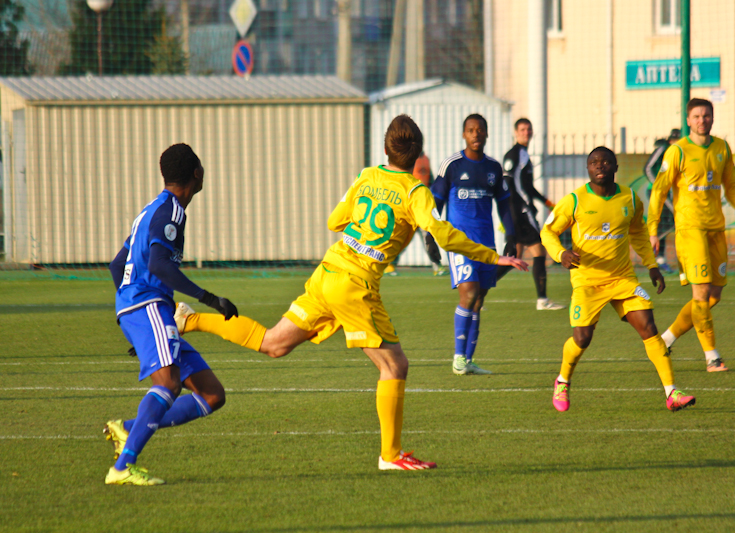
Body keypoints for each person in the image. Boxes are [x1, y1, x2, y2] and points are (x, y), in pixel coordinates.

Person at [170, 115, 528, 470]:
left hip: (328, 272)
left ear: (386, 149)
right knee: (395, 365)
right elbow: (443, 234)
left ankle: (190, 319)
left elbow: (334, 221)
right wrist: (492, 256)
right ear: (418, 153)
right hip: (355, 285)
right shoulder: (414, 191)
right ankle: (390, 455)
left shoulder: (366, 175)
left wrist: (361, 220)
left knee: (273, 343)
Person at [104, 143, 239, 486]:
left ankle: (128, 428)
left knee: (211, 394)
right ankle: (122, 467)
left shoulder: (151, 210)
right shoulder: (172, 212)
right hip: (148, 304)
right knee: (168, 384)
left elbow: (117, 264)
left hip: (144, 309)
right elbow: (159, 265)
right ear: (196, 173)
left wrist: (136, 322)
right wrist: (210, 299)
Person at [541, 146, 696, 413]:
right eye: (593, 162)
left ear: (615, 167)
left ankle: (672, 392)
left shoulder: (630, 199)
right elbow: (547, 232)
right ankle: (563, 380)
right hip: (587, 281)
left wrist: (651, 265)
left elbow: (639, 233)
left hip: (622, 278)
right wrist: (561, 254)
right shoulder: (575, 200)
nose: (599, 166)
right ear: (587, 169)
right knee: (582, 338)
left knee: (648, 327)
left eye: (605, 162)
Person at [648, 99, 735, 372]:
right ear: (688, 120)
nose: (702, 120)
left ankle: (667, 338)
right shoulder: (677, 151)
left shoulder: (722, 148)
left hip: (716, 229)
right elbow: (659, 190)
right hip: (690, 230)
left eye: (706, 115)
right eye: (697, 116)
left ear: (712, 118)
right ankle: (712, 356)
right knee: (700, 293)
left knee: (713, 296)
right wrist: (653, 230)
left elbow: (732, 186)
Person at [431, 114, 517, 376]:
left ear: (487, 133)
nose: (476, 134)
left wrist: (511, 236)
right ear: (463, 134)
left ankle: (467, 361)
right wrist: (430, 235)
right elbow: (435, 201)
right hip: (460, 243)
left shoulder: (494, 168)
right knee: (468, 293)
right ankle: (458, 358)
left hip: (486, 243)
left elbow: (504, 204)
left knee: (479, 299)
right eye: (470, 130)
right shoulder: (452, 165)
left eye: (480, 130)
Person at [499, 118, 565, 310]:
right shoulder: (514, 154)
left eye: (528, 129)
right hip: (520, 211)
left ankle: (478, 292)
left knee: (513, 256)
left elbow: (528, 187)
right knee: (539, 250)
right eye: (522, 129)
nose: (526, 132)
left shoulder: (524, 155)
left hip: (520, 210)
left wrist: (548, 203)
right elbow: (508, 184)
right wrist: (513, 211)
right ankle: (542, 300)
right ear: (515, 132)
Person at [384, 152, 448, 276]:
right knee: (403, 237)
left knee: (428, 236)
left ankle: (437, 265)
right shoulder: (407, 159)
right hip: (409, 205)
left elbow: (430, 179)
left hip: (421, 204)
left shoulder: (425, 159)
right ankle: (390, 264)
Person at [643, 128, 681, 274]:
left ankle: (659, 259)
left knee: (666, 223)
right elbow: (648, 168)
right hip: (657, 192)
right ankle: (654, 255)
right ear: (671, 140)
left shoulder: (681, 152)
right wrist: (659, 186)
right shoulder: (664, 149)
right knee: (674, 218)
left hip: (670, 192)